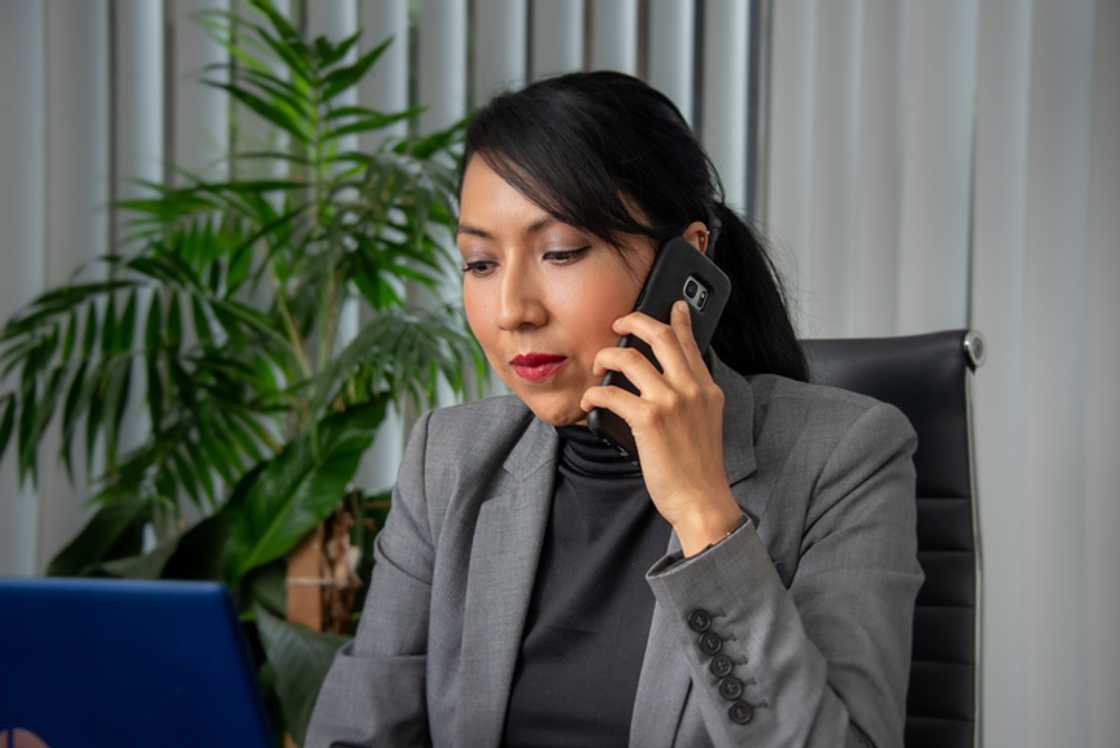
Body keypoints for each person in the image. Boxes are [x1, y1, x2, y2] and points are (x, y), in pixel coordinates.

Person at [306, 71, 923, 748]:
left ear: (685, 263)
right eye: (480, 263)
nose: (513, 310)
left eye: (561, 252)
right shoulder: (448, 460)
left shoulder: (846, 454)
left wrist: (705, 519)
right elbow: (357, 733)